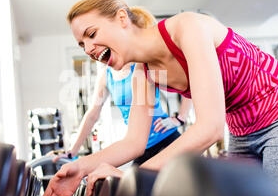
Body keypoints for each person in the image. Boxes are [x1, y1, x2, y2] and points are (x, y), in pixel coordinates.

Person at [42, 0, 278, 196]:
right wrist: (82, 167)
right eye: (81, 45)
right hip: (242, 130)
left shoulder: (186, 28)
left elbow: (210, 129)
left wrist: (132, 177)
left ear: (121, 18)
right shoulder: (144, 73)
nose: (88, 49)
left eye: (91, 34)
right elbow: (134, 143)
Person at [61, 60, 192, 165]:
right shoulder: (106, 76)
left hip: (166, 138)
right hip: (139, 147)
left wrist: (180, 118)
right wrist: (72, 151)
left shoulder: (142, 65)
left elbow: (187, 82)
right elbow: (92, 114)